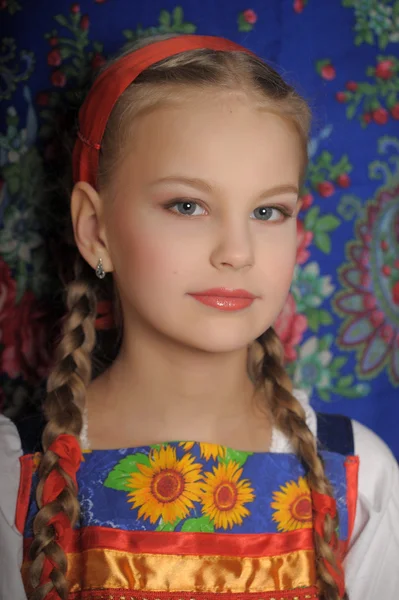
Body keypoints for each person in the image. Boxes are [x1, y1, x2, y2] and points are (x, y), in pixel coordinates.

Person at [0, 33, 398, 600]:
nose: (237, 251)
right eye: (187, 205)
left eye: (268, 210)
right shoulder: (15, 478)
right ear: (96, 230)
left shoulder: (360, 479)